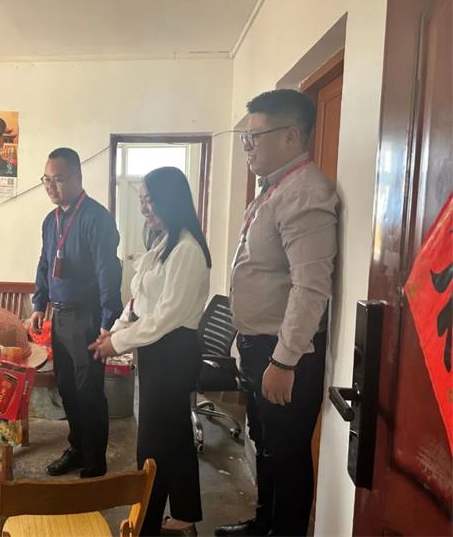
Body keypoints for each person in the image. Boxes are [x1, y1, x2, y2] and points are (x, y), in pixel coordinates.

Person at [215, 89, 339, 537]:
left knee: (286, 454)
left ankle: (282, 530)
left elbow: (310, 287)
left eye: (255, 137)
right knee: (265, 443)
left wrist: (284, 360)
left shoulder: (306, 195)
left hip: (285, 353)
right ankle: (262, 524)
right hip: (260, 345)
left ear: (291, 136)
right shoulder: (274, 189)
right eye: (245, 138)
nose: (247, 147)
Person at [89, 166, 210, 536]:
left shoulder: (187, 250)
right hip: (158, 350)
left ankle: (148, 520)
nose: (143, 208)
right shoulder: (165, 241)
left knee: (155, 443)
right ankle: (184, 513)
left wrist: (118, 343)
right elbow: (139, 300)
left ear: (170, 200)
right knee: (174, 436)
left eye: (149, 200)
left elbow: (165, 317)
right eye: (141, 200)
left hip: (173, 352)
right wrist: (115, 329)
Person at [30, 147, 123, 479]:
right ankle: (78, 448)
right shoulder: (50, 220)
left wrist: (108, 323)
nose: (51, 186)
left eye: (58, 179)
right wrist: (38, 304)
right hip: (60, 317)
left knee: (88, 390)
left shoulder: (97, 218)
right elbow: (45, 263)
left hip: (88, 318)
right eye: (46, 180)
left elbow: (108, 273)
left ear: (77, 177)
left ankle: (95, 459)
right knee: (67, 387)